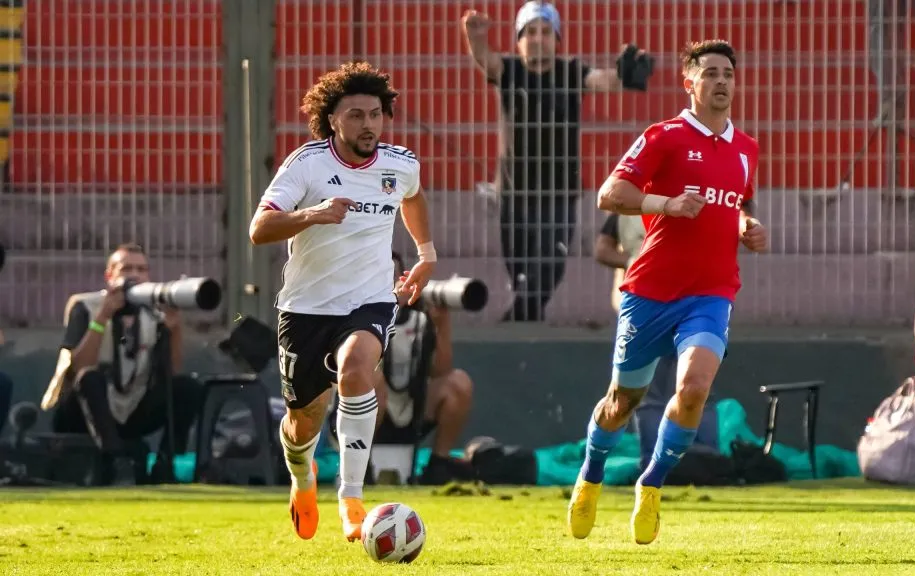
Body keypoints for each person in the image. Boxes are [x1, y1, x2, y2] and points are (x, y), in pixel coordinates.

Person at [566, 40, 768, 545]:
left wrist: (748, 224)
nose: (721, 81)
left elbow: (737, 203)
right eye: (710, 73)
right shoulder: (665, 136)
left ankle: (651, 484)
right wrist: (667, 203)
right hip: (650, 292)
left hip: (712, 293)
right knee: (621, 403)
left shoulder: (747, 148)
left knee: (695, 388)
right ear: (690, 82)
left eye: (728, 72)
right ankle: (590, 475)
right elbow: (608, 194)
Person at [249, 61, 435, 542]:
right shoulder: (306, 164)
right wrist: (312, 214)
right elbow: (259, 229)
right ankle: (301, 474)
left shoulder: (400, 164)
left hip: (370, 299)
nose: (368, 124)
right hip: (306, 307)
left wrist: (426, 253)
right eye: (355, 115)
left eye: (375, 114)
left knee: (357, 370)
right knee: (303, 421)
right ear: (333, 120)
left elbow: (411, 197)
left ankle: (351, 497)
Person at [461, 1, 654, 322]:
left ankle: (518, 320)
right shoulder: (510, 70)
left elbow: (602, 80)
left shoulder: (570, 71)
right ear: (519, 39)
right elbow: (486, 61)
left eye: (546, 32)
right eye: (531, 32)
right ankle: (526, 318)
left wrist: (623, 75)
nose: (538, 38)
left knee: (551, 263)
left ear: (557, 38)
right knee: (520, 268)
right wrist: (475, 37)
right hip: (514, 189)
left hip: (558, 190)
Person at [40, 243, 203, 484]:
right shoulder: (85, 305)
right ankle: (115, 461)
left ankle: (164, 462)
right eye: (126, 269)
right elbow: (77, 367)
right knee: (89, 378)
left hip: (132, 406)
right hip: (84, 412)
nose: (135, 276)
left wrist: (174, 328)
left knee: (188, 387)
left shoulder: (154, 313)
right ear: (110, 275)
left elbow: (172, 371)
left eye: (141, 269)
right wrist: (102, 317)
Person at [330, 252, 475, 485]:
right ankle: (359, 463)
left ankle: (438, 464)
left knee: (458, 382)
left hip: (410, 408)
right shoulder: (353, 311)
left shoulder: (420, 318)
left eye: (396, 275)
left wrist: (442, 324)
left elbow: (441, 370)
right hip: (364, 411)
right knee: (372, 378)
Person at [594, 213, 676, 472]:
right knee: (653, 391)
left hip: (673, 299)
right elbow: (602, 249)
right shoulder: (626, 204)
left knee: (683, 389)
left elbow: (602, 249)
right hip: (649, 301)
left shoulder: (628, 200)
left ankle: (695, 461)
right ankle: (664, 462)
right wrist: (635, 260)